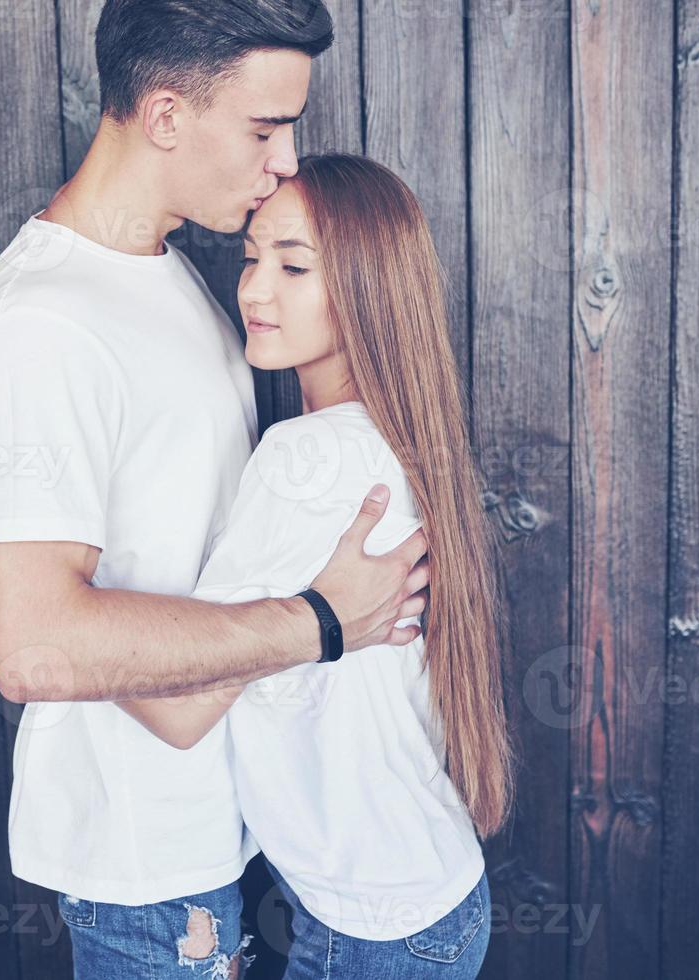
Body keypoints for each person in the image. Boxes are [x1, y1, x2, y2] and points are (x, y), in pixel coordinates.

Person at [0, 2, 432, 976]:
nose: (286, 160)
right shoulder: (38, 329)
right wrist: (326, 621)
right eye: (263, 128)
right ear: (165, 117)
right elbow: (35, 646)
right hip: (150, 879)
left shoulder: (161, 276)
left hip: (230, 839)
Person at [119, 154, 516, 978]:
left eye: (295, 266)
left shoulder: (309, 460)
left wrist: (58, 616)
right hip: (427, 901)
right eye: (252, 257)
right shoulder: (393, 438)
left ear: (368, 286)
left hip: (374, 934)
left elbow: (182, 710)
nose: (255, 291)